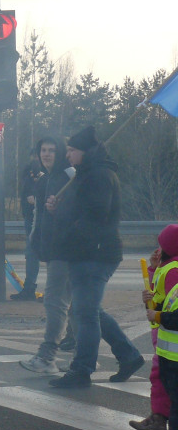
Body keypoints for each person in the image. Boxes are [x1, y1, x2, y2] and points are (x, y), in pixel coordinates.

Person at [46, 126, 145, 389]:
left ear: (85, 151)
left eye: (71, 150)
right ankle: (129, 356)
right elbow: (78, 213)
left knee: (85, 314)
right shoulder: (86, 174)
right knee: (90, 311)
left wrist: (67, 232)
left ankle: (81, 370)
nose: (67, 155)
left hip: (95, 254)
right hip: (86, 253)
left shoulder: (99, 176)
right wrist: (57, 210)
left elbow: (94, 218)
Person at [20, 136, 75, 375]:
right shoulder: (45, 181)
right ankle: (88, 355)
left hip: (67, 250)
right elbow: (38, 217)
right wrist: (35, 240)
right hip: (53, 249)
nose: (47, 154)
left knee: (54, 300)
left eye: (52, 150)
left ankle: (48, 355)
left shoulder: (71, 177)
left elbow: (79, 214)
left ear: (61, 152)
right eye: (43, 150)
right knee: (79, 306)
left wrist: (59, 210)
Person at [130, 226, 178, 430]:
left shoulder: (173, 270)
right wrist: (152, 270)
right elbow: (159, 294)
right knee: (162, 377)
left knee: (163, 377)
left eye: (161, 244)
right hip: (164, 333)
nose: (158, 249)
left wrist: (157, 315)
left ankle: (159, 419)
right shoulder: (165, 267)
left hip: (169, 335)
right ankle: (159, 417)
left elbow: (170, 303)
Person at [146, 272, 178, 430]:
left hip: (174, 356)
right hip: (169, 356)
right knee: (174, 395)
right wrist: (150, 303)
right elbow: (167, 307)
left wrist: (158, 316)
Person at [15, 147, 45, 299]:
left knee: (35, 252)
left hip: (40, 216)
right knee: (32, 253)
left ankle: (31, 288)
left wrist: (36, 198)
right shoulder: (29, 172)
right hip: (31, 215)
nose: (35, 159)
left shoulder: (45, 172)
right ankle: (29, 288)